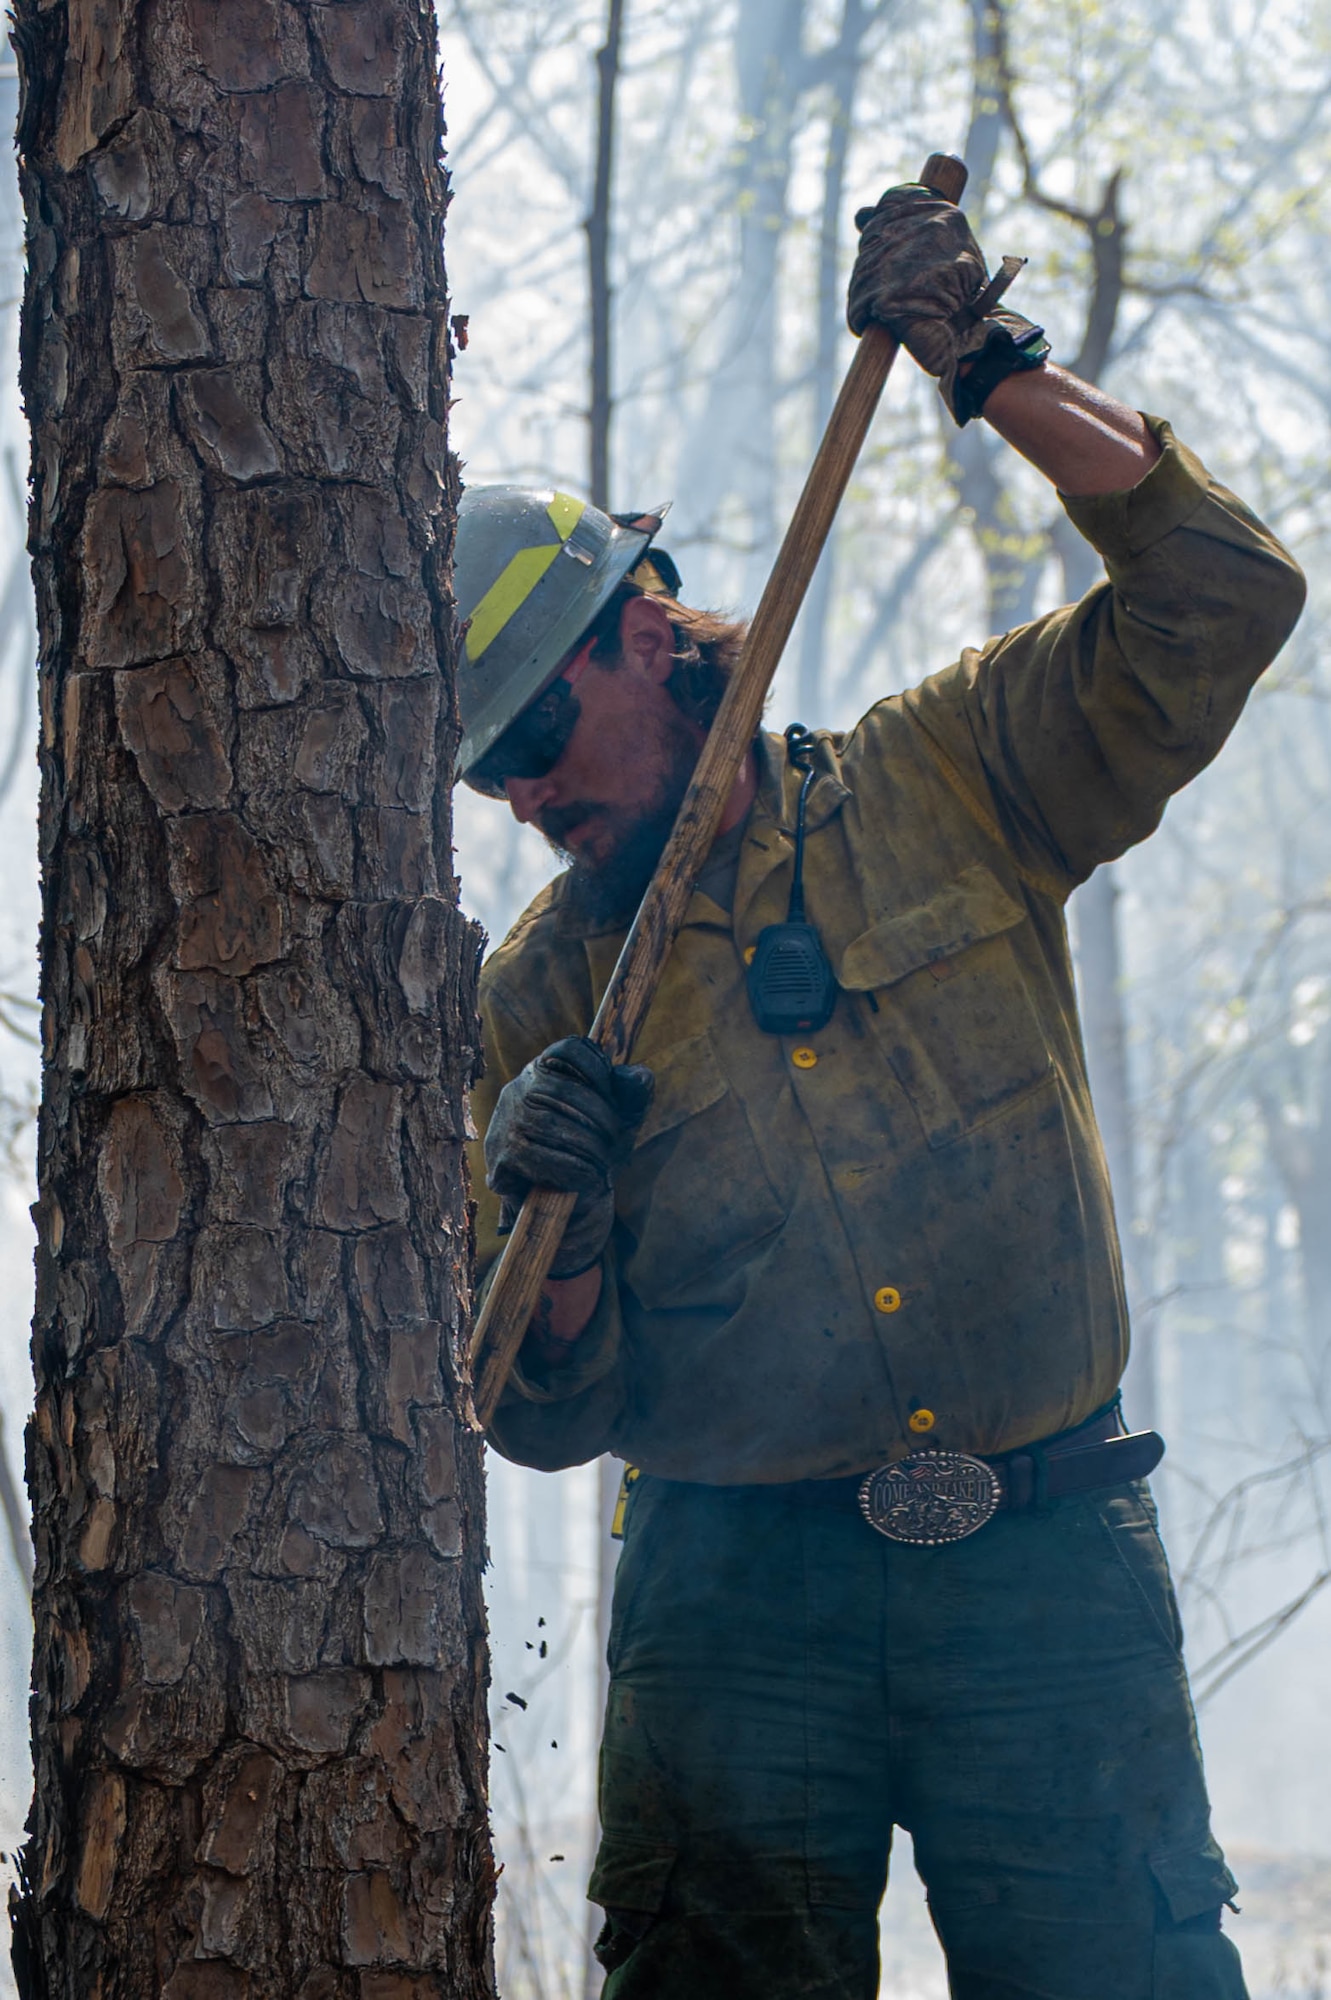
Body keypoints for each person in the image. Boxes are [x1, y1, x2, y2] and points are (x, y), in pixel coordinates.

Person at [456, 183, 1305, 2000]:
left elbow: (1223, 594)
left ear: (649, 631)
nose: (524, 797)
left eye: (536, 733)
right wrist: (567, 1228)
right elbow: (535, 1412)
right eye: (489, 775)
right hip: (736, 1609)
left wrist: (987, 363)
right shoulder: (536, 999)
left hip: (1050, 1571)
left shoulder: (955, 775)